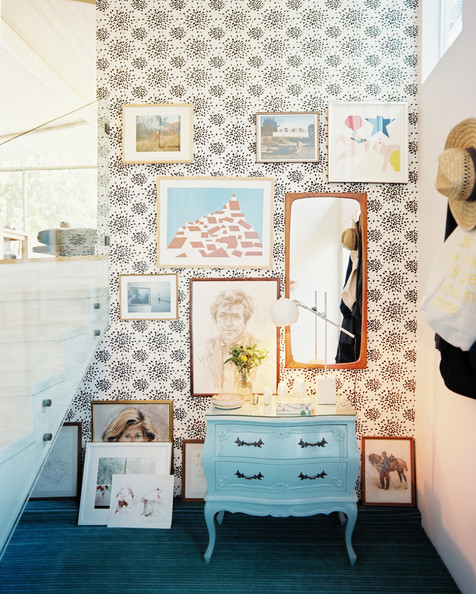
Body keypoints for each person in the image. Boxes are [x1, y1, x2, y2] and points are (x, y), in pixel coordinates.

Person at [199, 289, 259, 393]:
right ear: (215, 320)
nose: (228, 323)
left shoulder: (259, 348)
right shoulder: (202, 350)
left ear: (246, 322)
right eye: (223, 316)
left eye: (235, 317)